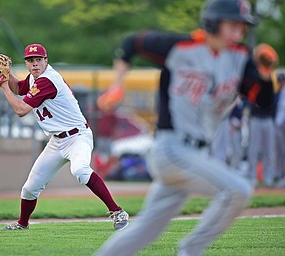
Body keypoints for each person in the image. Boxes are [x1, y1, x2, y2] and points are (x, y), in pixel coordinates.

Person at [95, 0, 273, 255]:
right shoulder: (180, 47)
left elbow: (264, 103)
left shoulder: (240, 57)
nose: (238, 32)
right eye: (232, 24)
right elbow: (131, 43)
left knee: (145, 230)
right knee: (238, 190)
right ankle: (191, 249)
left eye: (242, 26)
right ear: (213, 22)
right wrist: (117, 84)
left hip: (196, 156)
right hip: (171, 148)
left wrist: (265, 74)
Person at [0, 43, 129, 231]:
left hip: (77, 137)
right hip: (57, 141)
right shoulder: (35, 79)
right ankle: (22, 224)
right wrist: (8, 75)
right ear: (26, 63)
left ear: (46, 61)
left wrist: (3, 87)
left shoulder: (47, 80)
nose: (34, 64)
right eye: (30, 60)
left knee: (80, 170)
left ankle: (118, 212)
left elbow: (20, 110)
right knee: (29, 188)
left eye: (38, 60)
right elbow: (20, 88)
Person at [246, 43, 278, 187]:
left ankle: (268, 177)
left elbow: (272, 98)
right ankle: (251, 176)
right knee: (253, 149)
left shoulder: (272, 77)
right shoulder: (256, 76)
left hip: (268, 118)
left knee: (269, 150)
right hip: (256, 117)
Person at [274, 72, 285, 187]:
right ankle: (279, 174)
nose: (280, 83)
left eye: (282, 81)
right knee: (278, 151)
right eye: (279, 81)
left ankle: (283, 175)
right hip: (278, 125)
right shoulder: (277, 93)